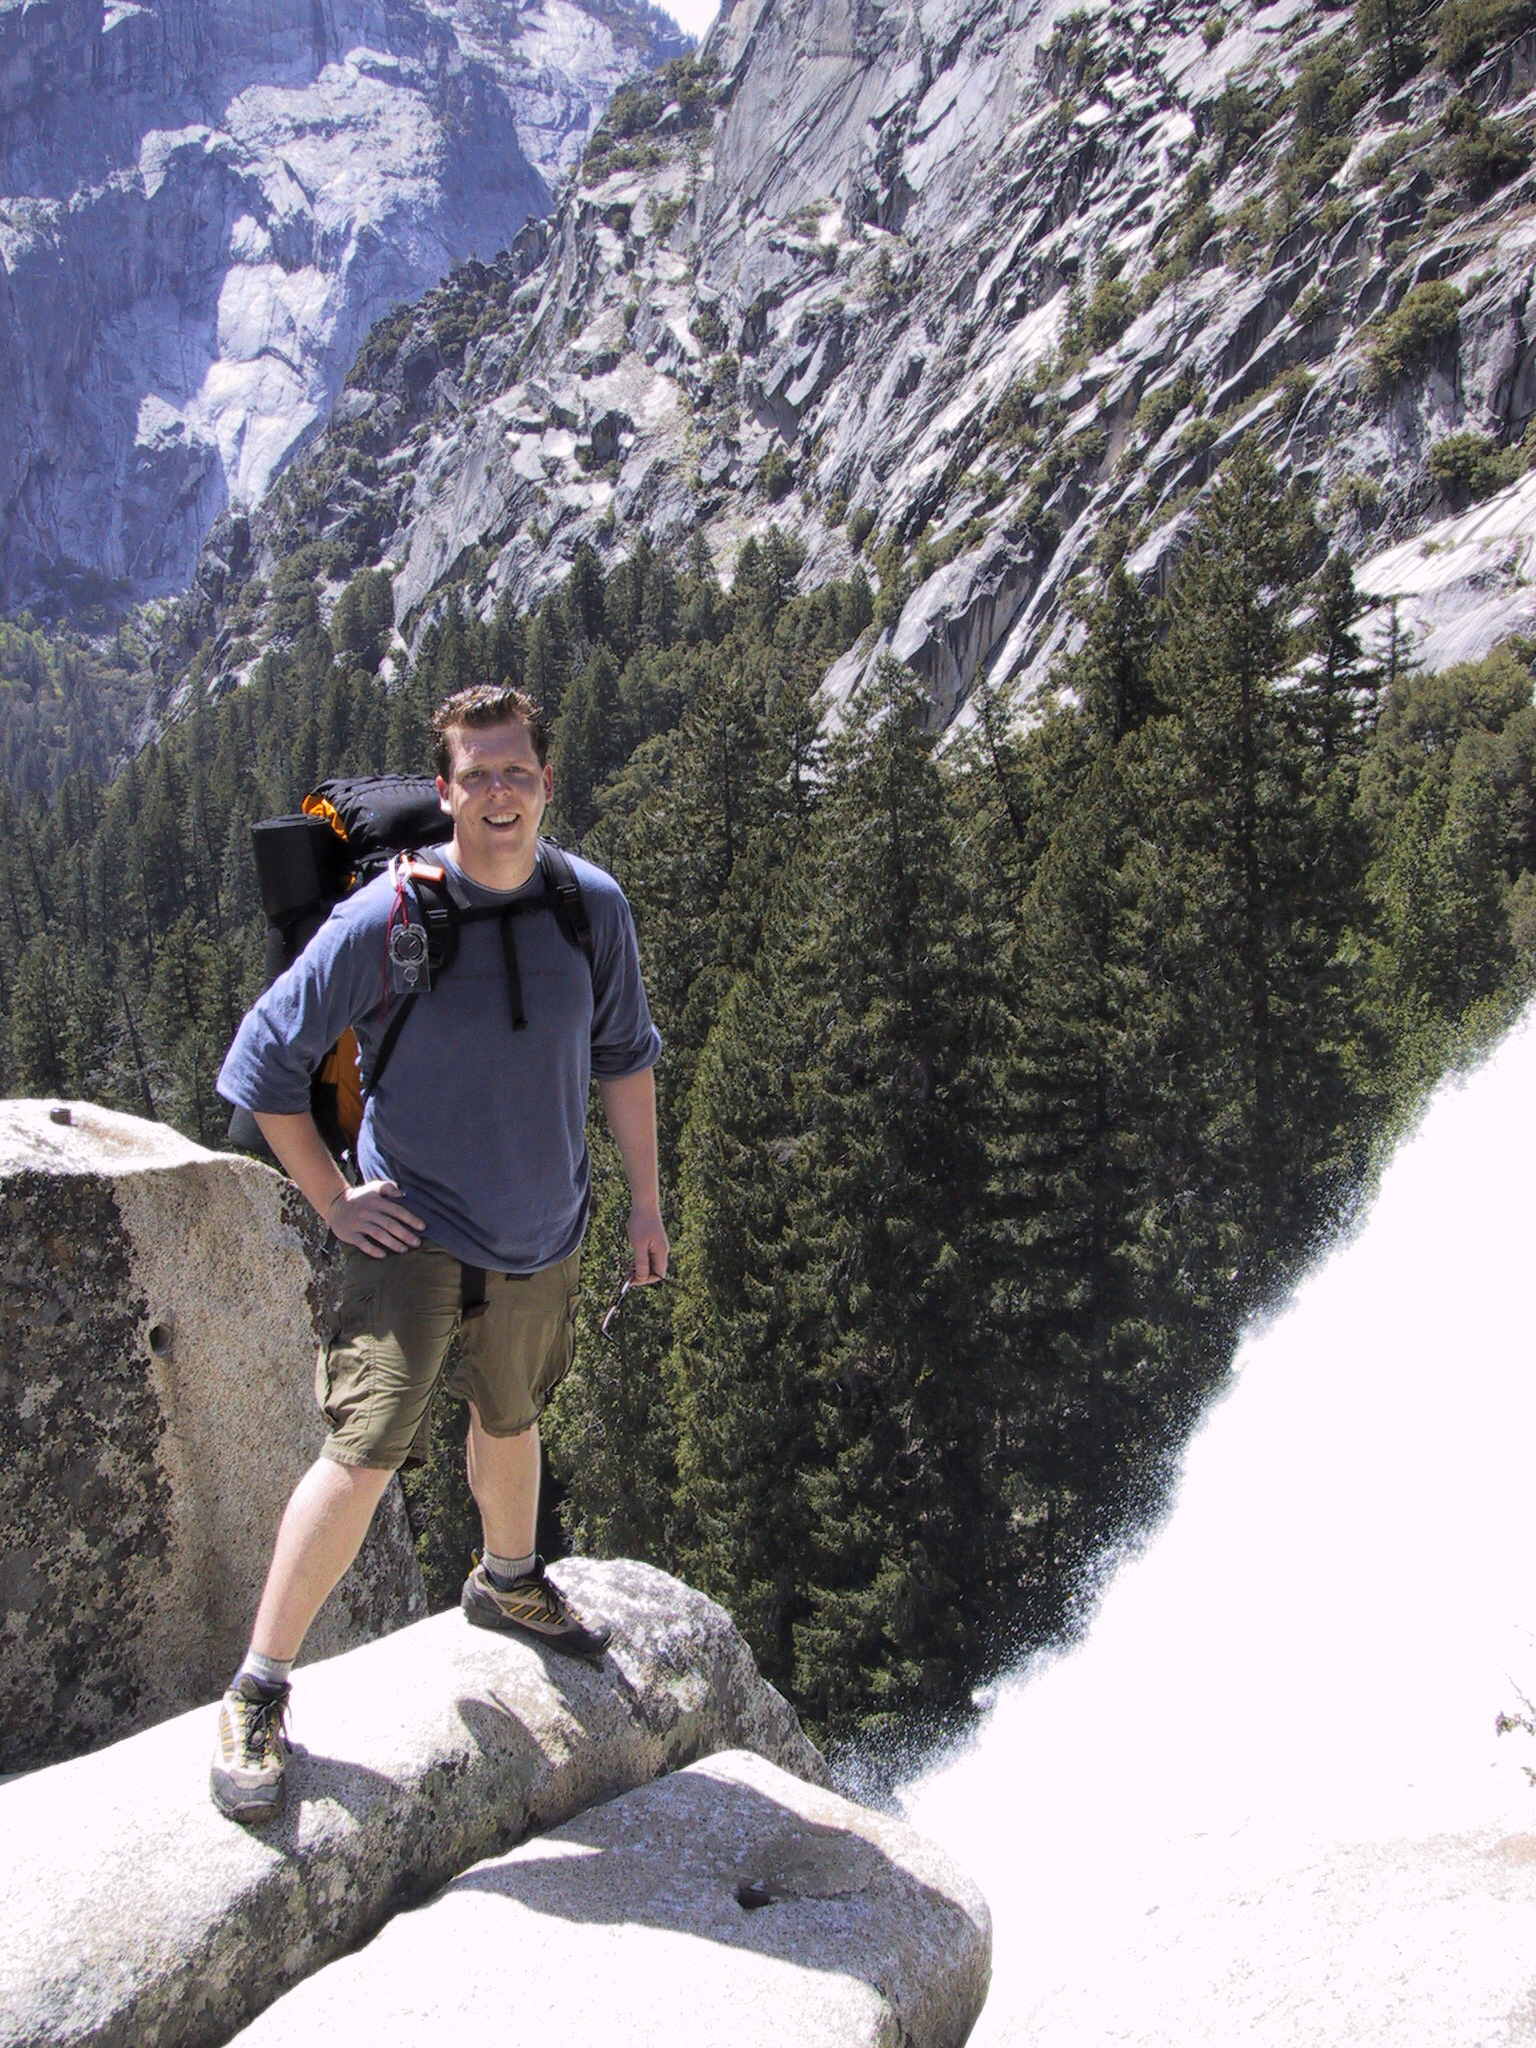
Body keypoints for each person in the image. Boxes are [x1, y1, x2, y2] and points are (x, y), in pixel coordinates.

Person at [209, 682, 667, 1825]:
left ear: (546, 781)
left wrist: (647, 1206)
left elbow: (626, 1058)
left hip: (542, 1227)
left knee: (511, 1413)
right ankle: (257, 1687)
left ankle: (508, 1582)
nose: (498, 793)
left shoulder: (589, 906)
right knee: (366, 1447)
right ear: (445, 788)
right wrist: (334, 1199)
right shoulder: (389, 918)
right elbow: (263, 1059)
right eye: (477, 774)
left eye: (516, 771)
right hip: (411, 1228)